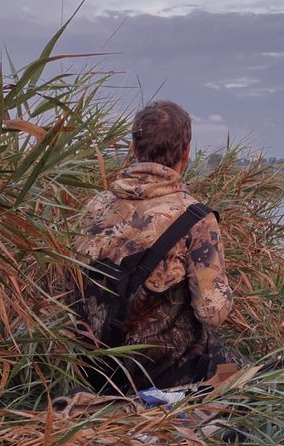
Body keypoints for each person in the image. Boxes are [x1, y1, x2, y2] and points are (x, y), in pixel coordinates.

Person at [72, 100, 244, 392]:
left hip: (95, 369)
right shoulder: (196, 219)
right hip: (162, 374)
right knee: (249, 375)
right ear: (187, 151)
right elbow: (212, 313)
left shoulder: (96, 206)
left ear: (134, 148)